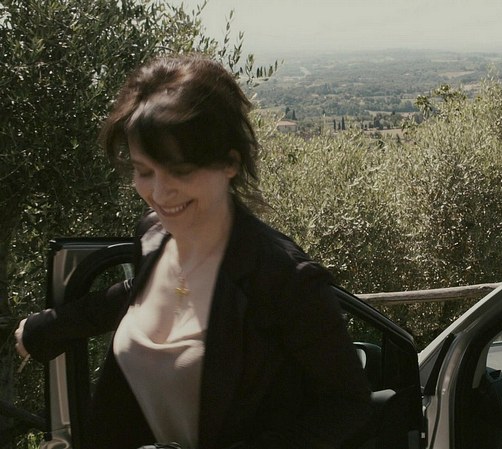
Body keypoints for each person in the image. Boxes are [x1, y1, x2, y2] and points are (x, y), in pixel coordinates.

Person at [14, 54, 372, 449]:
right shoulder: (153, 235)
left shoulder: (285, 279)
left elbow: (347, 405)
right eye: (144, 171)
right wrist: (51, 327)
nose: (159, 193)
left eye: (180, 170)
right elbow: (136, 296)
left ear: (230, 162)